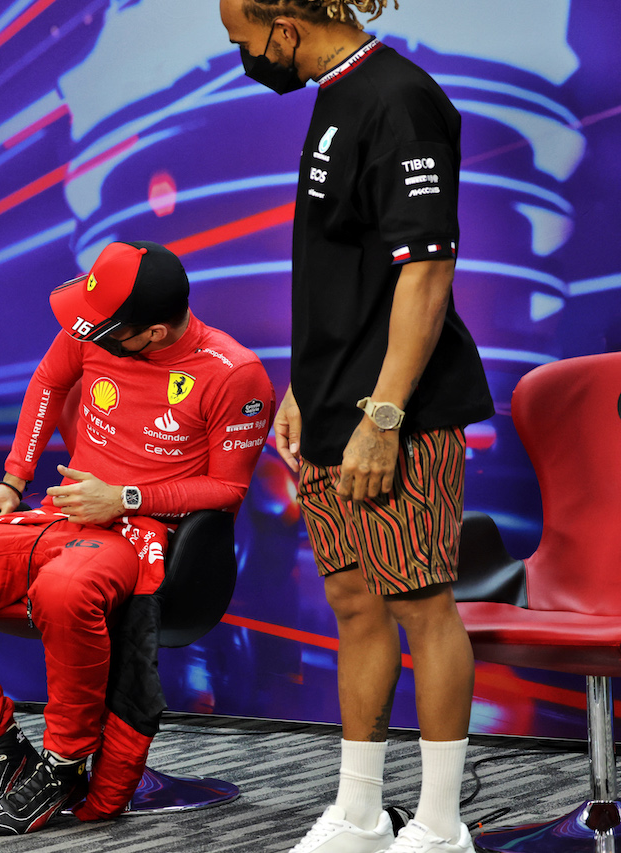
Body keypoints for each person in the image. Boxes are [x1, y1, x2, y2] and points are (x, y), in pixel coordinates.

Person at [0, 240, 274, 836]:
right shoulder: (94, 330)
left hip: (136, 536)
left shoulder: (235, 374)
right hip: (56, 519)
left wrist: (126, 497)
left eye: (107, 330)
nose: (88, 337)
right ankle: (5, 748)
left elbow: (228, 490)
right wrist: (13, 480)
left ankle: (63, 763)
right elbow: (47, 383)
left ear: (154, 332)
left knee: (62, 590)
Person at [218, 2, 495, 852]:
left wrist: (382, 414)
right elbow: (344, 272)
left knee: (421, 602)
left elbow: (426, 274)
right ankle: (363, 812)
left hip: (395, 414)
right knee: (353, 601)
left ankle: (443, 826)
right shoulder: (331, 96)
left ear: (286, 26)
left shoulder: (400, 99)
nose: (243, 57)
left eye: (243, 42)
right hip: (333, 407)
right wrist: (306, 390)